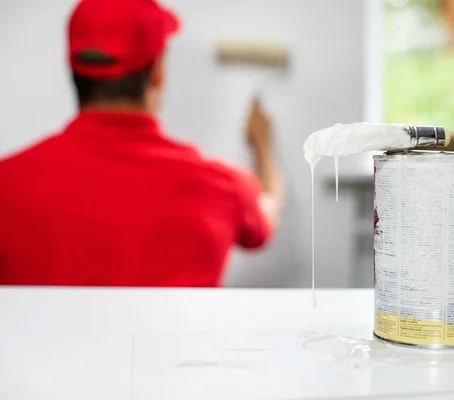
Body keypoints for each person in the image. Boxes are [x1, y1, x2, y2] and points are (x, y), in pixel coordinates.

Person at [0, 0, 284, 287]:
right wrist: (261, 145)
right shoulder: (221, 186)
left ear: (73, 68)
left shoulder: (5, 182)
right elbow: (267, 212)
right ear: (157, 73)